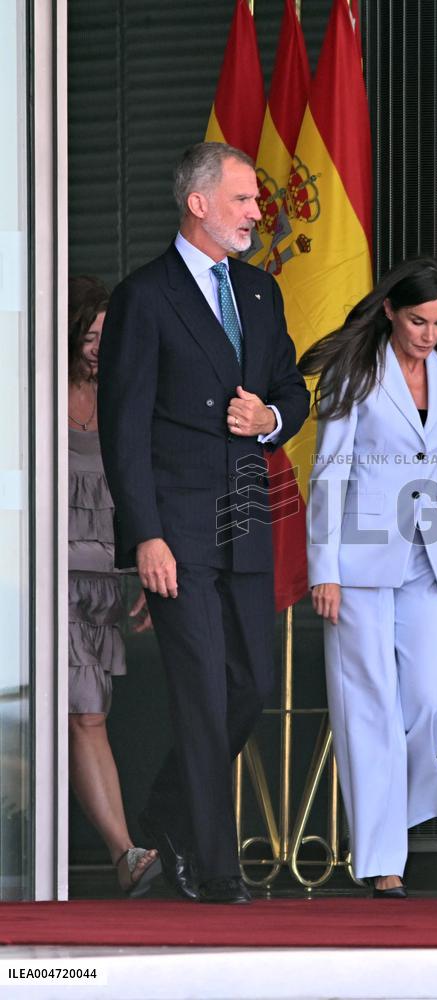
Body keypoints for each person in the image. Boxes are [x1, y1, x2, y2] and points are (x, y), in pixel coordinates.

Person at [97, 142, 310, 905]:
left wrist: (271, 416)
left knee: (250, 681)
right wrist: (145, 534)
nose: (259, 212)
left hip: (245, 518)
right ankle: (218, 869)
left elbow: (291, 386)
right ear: (199, 204)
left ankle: (167, 812)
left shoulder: (259, 291)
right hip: (178, 530)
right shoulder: (144, 296)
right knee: (201, 694)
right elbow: (123, 428)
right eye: (246, 200)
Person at [301, 257, 437, 896]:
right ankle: (384, 863)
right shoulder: (354, 370)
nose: (429, 333)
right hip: (358, 557)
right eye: (417, 320)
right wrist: (323, 567)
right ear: (389, 311)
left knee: (433, 700)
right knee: (368, 705)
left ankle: (392, 810)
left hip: (429, 556)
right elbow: (328, 472)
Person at [68, 275, 160, 897]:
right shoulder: (31, 395)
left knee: (90, 717)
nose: (101, 347)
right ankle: (125, 852)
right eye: (91, 335)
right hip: (42, 577)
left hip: (104, 583)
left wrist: (148, 578)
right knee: (80, 717)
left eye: (110, 335)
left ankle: (123, 856)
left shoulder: (128, 401)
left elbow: (144, 499)